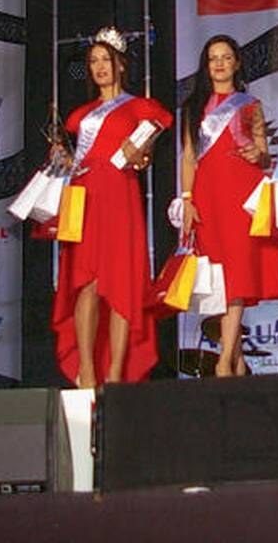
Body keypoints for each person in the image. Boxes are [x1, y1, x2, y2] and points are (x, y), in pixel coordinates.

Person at [51, 30, 172, 387]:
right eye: (93, 62)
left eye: (106, 60)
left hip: (119, 196)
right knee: (84, 282)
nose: (99, 67)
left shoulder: (141, 108)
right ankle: (88, 370)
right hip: (83, 197)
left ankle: (117, 371)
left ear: (120, 65)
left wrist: (141, 156)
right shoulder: (79, 116)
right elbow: (78, 158)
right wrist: (63, 159)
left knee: (121, 282)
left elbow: (145, 156)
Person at [176, 34, 278, 376]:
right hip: (208, 195)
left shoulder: (250, 104)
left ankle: (224, 359)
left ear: (237, 63)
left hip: (242, 193)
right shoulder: (193, 107)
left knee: (237, 273)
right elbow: (189, 157)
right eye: (213, 58)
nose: (220, 64)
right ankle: (238, 362)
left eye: (226, 57)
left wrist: (258, 154)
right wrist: (187, 199)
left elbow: (263, 152)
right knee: (219, 275)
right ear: (206, 65)